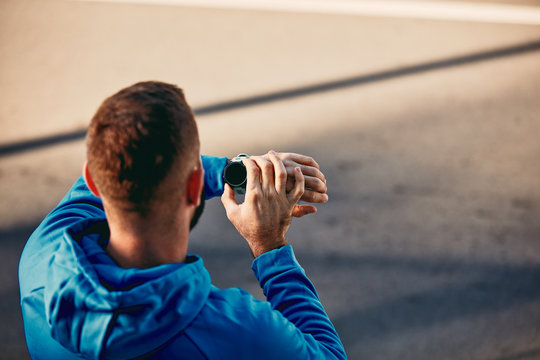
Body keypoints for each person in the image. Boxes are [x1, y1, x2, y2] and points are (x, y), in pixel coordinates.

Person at [19, 81, 347, 359]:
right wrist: (269, 247)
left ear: (92, 181)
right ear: (194, 186)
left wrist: (236, 171)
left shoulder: (42, 255)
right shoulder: (239, 333)